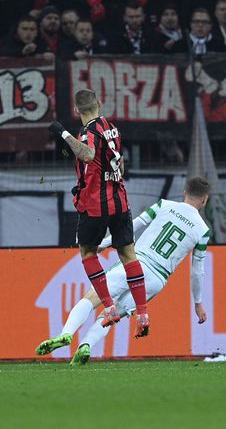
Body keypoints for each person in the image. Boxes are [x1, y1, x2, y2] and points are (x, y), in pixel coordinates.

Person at [35, 178, 212, 365]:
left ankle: (66, 334)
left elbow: (133, 225)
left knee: (93, 298)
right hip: (157, 279)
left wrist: (103, 244)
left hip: (136, 263)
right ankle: (86, 345)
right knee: (114, 315)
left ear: (185, 192)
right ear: (204, 200)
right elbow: (197, 271)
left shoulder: (164, 205)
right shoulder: (203, 231)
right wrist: (198, 302)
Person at [46, 88, 150, 339]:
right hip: (120, 200)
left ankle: (110, 307)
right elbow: (120, 163)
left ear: (76, 110)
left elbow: (88, 154)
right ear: (99, 104)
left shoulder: (88, 132)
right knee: (128, 254)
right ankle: (143, 314)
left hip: (95, 203)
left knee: (88, 252)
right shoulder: (111, 127)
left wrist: (62, 133)